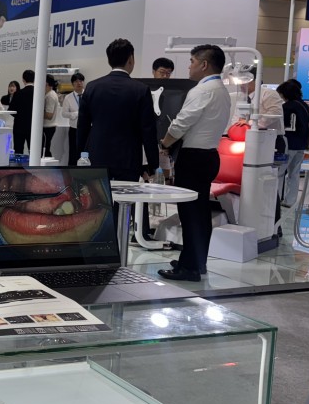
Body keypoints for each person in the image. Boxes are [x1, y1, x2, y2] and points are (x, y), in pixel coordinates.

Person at [158, 44, 231, 282]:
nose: (189, 66)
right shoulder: (221, 90)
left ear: (204, 64)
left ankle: (189, 268)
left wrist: (165, 142)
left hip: (194, 157)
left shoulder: (202, 91)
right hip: (209, 155)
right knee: (200, 213)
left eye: (191, 61)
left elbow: (182, 122)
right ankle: (196, 261)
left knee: (190, 213)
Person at [76, 39, 158, 182]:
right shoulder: (141, 89)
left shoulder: (92, 87)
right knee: (126, 195)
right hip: (128, 159)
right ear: (131, 59)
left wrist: (80, 157)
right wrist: (153, 166)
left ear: (109, 60)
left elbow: (82, 127)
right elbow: (148, 131)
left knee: (98, 195)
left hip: (96, 157)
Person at [278, 79, 309, 208]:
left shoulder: (287, 107)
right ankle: (290, 201)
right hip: (301, 145)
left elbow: (281, 125)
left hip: (288, 144)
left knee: (280, 173)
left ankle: (276, 199)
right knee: (294, 174)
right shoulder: (304, 105)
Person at [8, 70, 35, 155]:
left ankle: (18, 163)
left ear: (23, 80)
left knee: (18, 150)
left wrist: (19, 116)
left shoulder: (18, 93)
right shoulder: (38, 93)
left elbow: (11, 110)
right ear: (34, 79)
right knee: (34, 150)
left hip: (19, 126)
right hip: (33, 126)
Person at [61, 72, 84, 165]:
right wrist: (75, 114)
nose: (79, 83)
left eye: (81, 81)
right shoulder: (68, 97)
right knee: (73, 152)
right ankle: (72, 171)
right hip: (74, 129)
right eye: (76, 81)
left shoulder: (88, 95)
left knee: (86, 151)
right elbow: (64, 113)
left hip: (87, 129)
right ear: (72, 84)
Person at [42, 74, 59, 158]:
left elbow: (49, 115)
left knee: (45, 151)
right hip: (47, 127)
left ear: (46, 83)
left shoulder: (50, 96)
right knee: (44, 150)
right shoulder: (48, 94)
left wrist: (37, 113)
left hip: (48, 127)